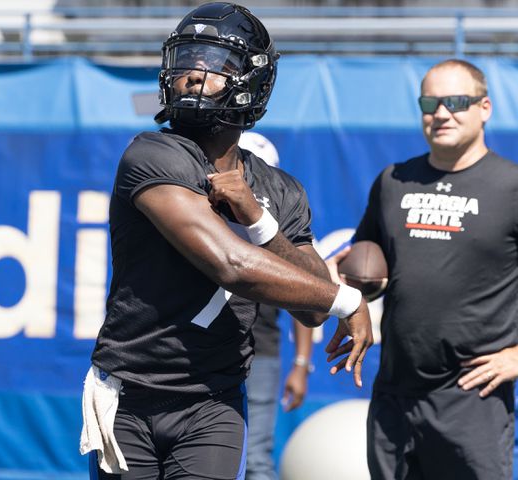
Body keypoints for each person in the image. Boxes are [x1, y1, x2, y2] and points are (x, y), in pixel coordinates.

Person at [80, 3, 373, 479]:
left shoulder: (281, 190)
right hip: (130, 388)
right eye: (188, 60)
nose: (195, 74)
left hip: (213, 400)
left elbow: (312, 306)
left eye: (215, 63)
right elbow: (230, 265)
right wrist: (349, 299)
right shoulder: (152, 153)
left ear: (252, 80)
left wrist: (258, 219)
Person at [328, 59, 518, 480]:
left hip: (473, 396)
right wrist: (339, 280)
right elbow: (364, 263)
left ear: (485, 107)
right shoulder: (394, 180)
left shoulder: (511, 187)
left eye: (456, 101)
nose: (442, 113)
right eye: (430, 102)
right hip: (395, 391)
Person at [238, 131, 314, 480]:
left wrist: (301, 364)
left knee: (255, 458)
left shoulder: (283, 229)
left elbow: (306, 298)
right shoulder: (200, 217)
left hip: (261, 351)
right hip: (199, 352)